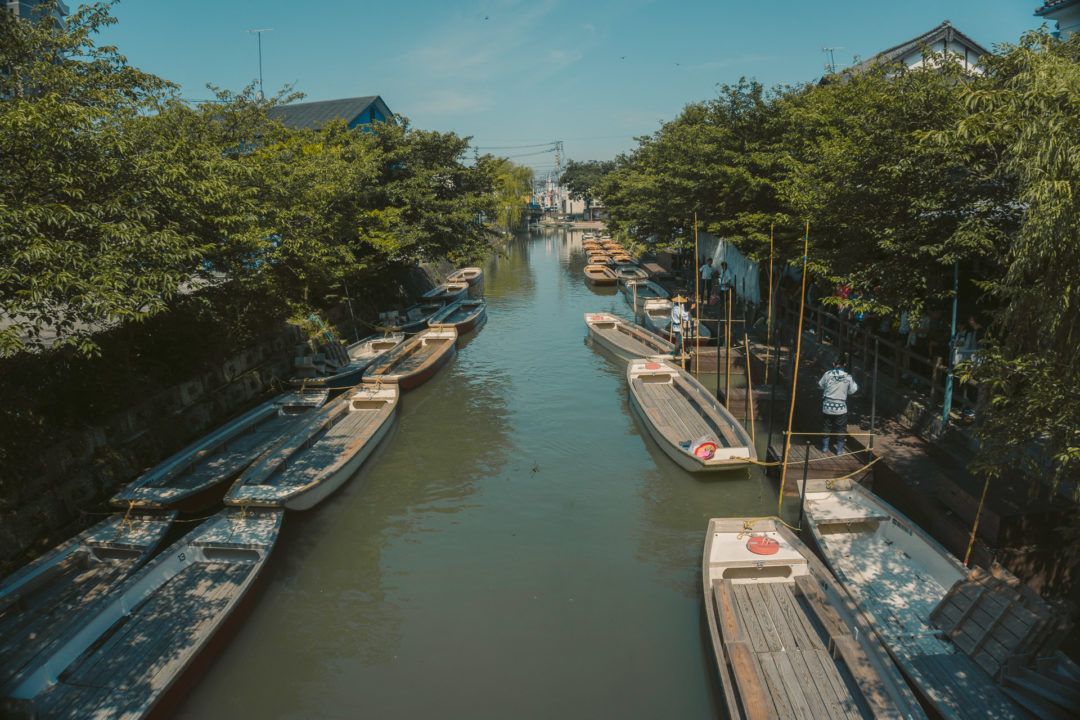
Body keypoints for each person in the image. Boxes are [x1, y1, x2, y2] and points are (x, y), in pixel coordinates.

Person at [818, 353, 858, 455]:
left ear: (833, 363)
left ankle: (825, 448)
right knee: (841, 428)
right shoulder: (848, 377)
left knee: (826, 426)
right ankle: (839, 451)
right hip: (840, 408)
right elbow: (853, 390)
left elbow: (821, 385)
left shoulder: (827, 374)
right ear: (844, 364)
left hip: (827, 406)